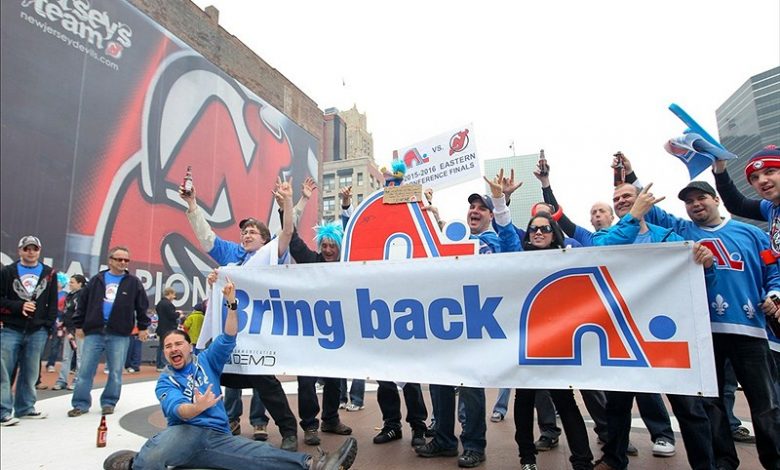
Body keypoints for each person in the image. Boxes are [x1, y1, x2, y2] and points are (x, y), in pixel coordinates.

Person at [101, 278, 358, 470]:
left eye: (178, 344)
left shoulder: (207, 360)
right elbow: (177, 410)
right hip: (186, 432)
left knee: (258, 455)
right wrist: (196, 408)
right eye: (168, 346)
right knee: (155, 457)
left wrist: (232, 304)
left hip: (218, 436)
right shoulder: (166, 380)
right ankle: (134, 464)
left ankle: (316, 465)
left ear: (190, 347)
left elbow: (229, 335)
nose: (173, 349)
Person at [641, 179, 780, 470]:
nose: (695, 205)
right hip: (704, 334)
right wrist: (629, 175)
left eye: (701, 198)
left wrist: (774, 294)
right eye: (689, 202)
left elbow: (773, 270)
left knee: (766, 405)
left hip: (750, 330)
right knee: (712, 404)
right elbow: (650, 211)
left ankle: (774, 460)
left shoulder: (753, 234)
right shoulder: (683, 232)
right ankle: (724, 462)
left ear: (716, 199)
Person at [591, 183, 721, 470]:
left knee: (689, 407)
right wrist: (631, 218)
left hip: (669, 334)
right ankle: (614, 459)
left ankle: (705, 465)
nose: (621, 200)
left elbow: (700, 287)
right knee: (618, 404)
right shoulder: (603, 238)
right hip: (623, 335)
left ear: (644, 201)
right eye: (617, 199)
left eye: (627, 196)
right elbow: (602, 255)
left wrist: (707, 266)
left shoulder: (671, 239)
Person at [179, 177, 299, 450]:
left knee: (265, 383)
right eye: (244, 232)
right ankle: (214, 425)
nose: (246, 235)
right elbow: (207, 238)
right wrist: (192, 204)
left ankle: (288, 431)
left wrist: (289, 201)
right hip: (228, 334)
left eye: (253, 232)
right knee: (208, 375)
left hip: (257, 335)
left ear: (266, 240)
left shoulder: (272, 254)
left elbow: (288, 232)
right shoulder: (233, 257)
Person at [415, 170, 520, 468]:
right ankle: (444, 440)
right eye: (471, 207)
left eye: (481, 208)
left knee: (472, 388)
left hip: (477, 324)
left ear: (490, 215)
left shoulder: (497, 241)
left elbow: (514, 252)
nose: (474, 211)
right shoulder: (455, 241)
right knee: (440, 382)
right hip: (447, 323)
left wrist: (501, 201)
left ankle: (474, 445)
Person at [513, 213, 594, 470]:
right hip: (525, 344)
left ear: (554, 232)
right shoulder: (515, 260)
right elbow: (505, 231)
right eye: (533, 229)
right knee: (523, 402)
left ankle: (582, 461)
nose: (538, 233)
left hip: (558, 345)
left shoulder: (569, 259)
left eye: (544, 228)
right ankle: (527, 458)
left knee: (565, 402)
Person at [286, 183, 354, 447]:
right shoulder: (310, 259)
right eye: (324, 245)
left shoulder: (349, 266)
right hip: (310, 331)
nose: (327, 249)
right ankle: (310, 425)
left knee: (335, 377)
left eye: (332, 245)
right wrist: (300, 201)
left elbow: (353, 235)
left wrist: (346, 206)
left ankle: (331, 418)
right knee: (307, 379)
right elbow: (291, 238)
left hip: (337, 331)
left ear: (340, 247)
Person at [68, 246, 150, 417]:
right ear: (110, 260)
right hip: (94, 332)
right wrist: (79, 325)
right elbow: (82, 303)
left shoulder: (133, 283)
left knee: (115, 371)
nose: (122, 263)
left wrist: (143, 327)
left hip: (119, 333)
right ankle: (80, 404)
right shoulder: (96, 280)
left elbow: (142, 306)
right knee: (85, 371)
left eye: (126, 260)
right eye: (119, 259)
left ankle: (109, 402)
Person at [0, 235, 58, 425]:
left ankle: (25, 408)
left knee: (31, 372)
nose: (31, 252)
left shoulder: (49, 273)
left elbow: (52, 302)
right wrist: (19, 306)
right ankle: (2, 411)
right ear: (20, 251)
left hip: (37, 330)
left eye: (34, 249)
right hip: (11, 328)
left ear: (39, 251)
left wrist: (47, 325)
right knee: (4, 371)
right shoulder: (8, 271)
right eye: (27, 249)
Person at [54, 274, 87, 390]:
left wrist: (80, 327)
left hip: (79, 330)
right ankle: (62, 380)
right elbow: (66, 310)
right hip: (69, 329)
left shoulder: (84, 295)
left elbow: (82, 312)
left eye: (72, 282)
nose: (70, 284)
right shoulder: (69, 295)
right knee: (66, 356)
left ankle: (77, 380)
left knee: (80, 356)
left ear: (80, 284)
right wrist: (62, 322)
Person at [155, 287, 179, 371]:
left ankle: (159, 364)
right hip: (168, 328)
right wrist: (178, 314)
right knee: (166, 346)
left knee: (161, 346)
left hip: (161, 327)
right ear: (170, 294)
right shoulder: (168, 304)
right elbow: (172, 316)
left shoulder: (160, 303)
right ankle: (163, 364)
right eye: (173, 294)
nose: (174, 297)